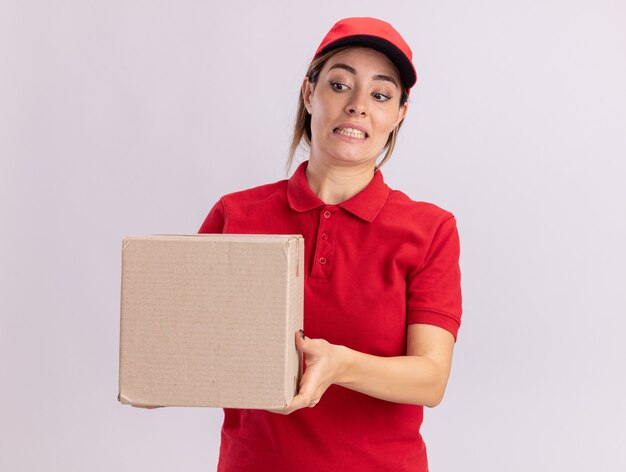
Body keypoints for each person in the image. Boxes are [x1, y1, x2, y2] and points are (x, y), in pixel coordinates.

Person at [199, 17, 462, 472]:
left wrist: (341, 365)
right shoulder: (236, 216)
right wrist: (159, 375)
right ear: (308, 94)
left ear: (400, 113)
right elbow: (194, 342)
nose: (358, 106)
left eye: (380, 95)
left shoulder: (430, 230)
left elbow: (430, 379)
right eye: (340, 84)